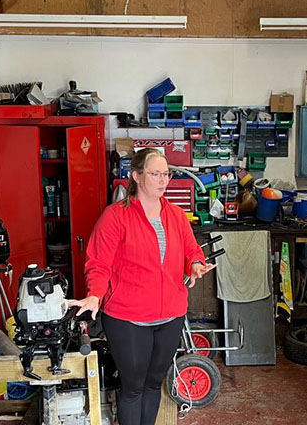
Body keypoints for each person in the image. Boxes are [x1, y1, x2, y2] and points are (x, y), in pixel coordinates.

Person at [69, 148, 216, 425]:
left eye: (166, 174)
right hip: (128, 317)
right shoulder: (115, 217)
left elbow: (191, 249)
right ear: (136, 176)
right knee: (133, 387)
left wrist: (195, 264)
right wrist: (94, 295)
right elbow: (99, 263)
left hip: (170, 314)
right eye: (155, 174)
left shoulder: (175, 215)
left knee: (153, 384)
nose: (163, 180)